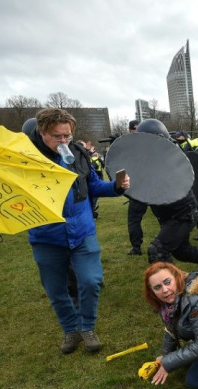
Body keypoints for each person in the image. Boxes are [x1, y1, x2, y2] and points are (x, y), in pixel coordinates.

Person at [26, 107, 130, 354]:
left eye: (67, 136)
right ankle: (70, 330)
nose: (63, 141)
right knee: (56, 289)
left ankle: (87, 327)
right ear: (42, 132)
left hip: (82, 232)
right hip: (46, 237)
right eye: (57, 136)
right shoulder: (26, 159)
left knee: (91, 281)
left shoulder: (78, 154)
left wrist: (116, 186)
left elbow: (92, 185)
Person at [135, 119, 198, 277]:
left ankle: (176, 290)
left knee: (157, 250)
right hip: (168, 214)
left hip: (183, 214)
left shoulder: (171, 159)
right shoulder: (150, 159)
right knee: (181, 251)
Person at [126, 119, 148, 255]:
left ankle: (165, 246)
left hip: (153, 187)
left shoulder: (149, 144)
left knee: (164, 218)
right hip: (138, 189)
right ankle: (136, 247)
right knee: (134, 219)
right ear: (130, 130)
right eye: (135, 128)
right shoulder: (128, 146)